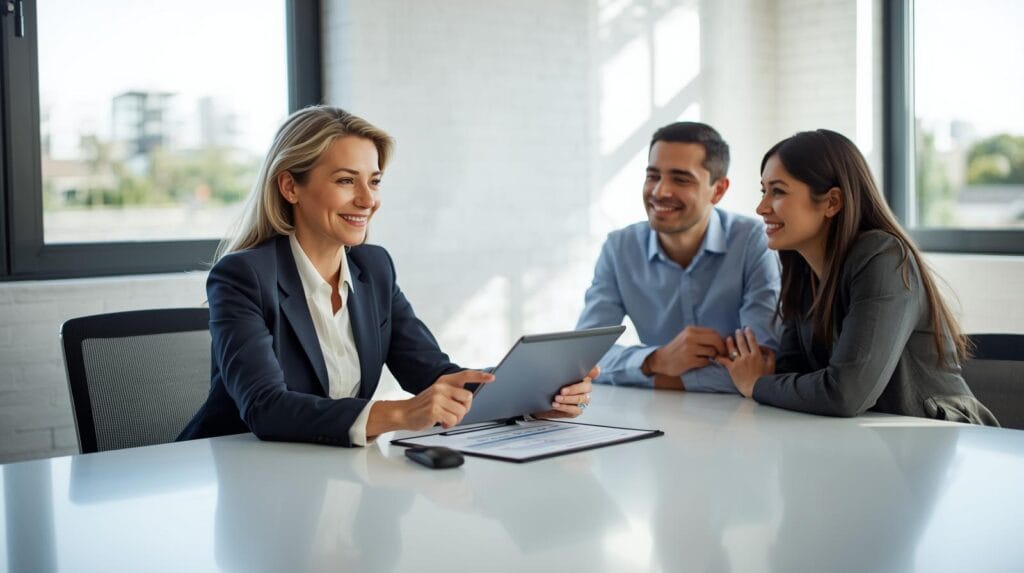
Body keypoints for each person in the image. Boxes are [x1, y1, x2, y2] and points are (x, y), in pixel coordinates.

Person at [179, 106, 595, 447]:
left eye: (374, 182)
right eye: (346, 181)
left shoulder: (373, 269)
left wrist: (531, 398)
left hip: (326, 474)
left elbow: (433, 375)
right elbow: (265, 408)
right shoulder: (242, 276)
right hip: (236, 477)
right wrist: (397, 413)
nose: (368, 200)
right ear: (290, 186)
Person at [717, 129, 998, 424]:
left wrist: (756, 384)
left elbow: (845, 394)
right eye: (764, 191)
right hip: (867, 442)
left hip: (937, 440)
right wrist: (758, 372)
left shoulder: (882, 255)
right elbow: (792, 372)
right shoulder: (802, 268)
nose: (761, 207)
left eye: (778, 191)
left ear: (832, 202)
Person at [576, 122, 780, 392]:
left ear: (718, 190)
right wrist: (655, 360)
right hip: (654, 416)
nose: (660, 191)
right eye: (653, 176)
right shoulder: (619, 248)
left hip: (742, 420)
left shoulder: (754, 242)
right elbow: (583, 357)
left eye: (681, 179)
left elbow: (764, 364)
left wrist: (660, 378)